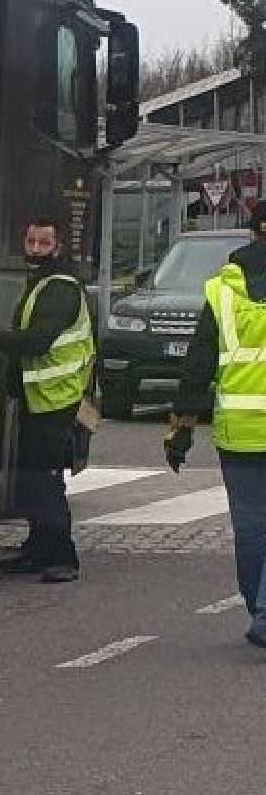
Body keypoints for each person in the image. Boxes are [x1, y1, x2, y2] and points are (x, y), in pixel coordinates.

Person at [166, 195, 266, 650]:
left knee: (249, 528)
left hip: (239, 433)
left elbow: (198, 361)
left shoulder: (224, 289)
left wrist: (181, 426)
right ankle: (265, 613)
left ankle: (257, 604)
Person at [0, 213, 95, 583]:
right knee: (31, 479)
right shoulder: (41, 283)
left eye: (44, 244)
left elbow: (39, 340)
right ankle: (37, 550)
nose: (35, 250)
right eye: (31, 242)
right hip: (37, 398)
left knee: (47, 480)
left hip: (56, 401)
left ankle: (62, 556)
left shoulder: (61, 288)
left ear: (58, 247)